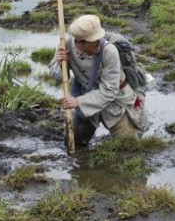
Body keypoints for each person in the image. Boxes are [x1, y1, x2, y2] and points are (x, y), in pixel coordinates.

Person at [49, 14, 148, 146]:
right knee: (73, 142)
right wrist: (62, 65)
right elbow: (59, 77)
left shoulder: (109, 51)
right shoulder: (66, 46)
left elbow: (109, 91)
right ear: (79, 41)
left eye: (98, 40)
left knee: (128, 147)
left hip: (116, 101)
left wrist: (77, 101)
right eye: (93, 42)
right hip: (88, 100)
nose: (97, 44)